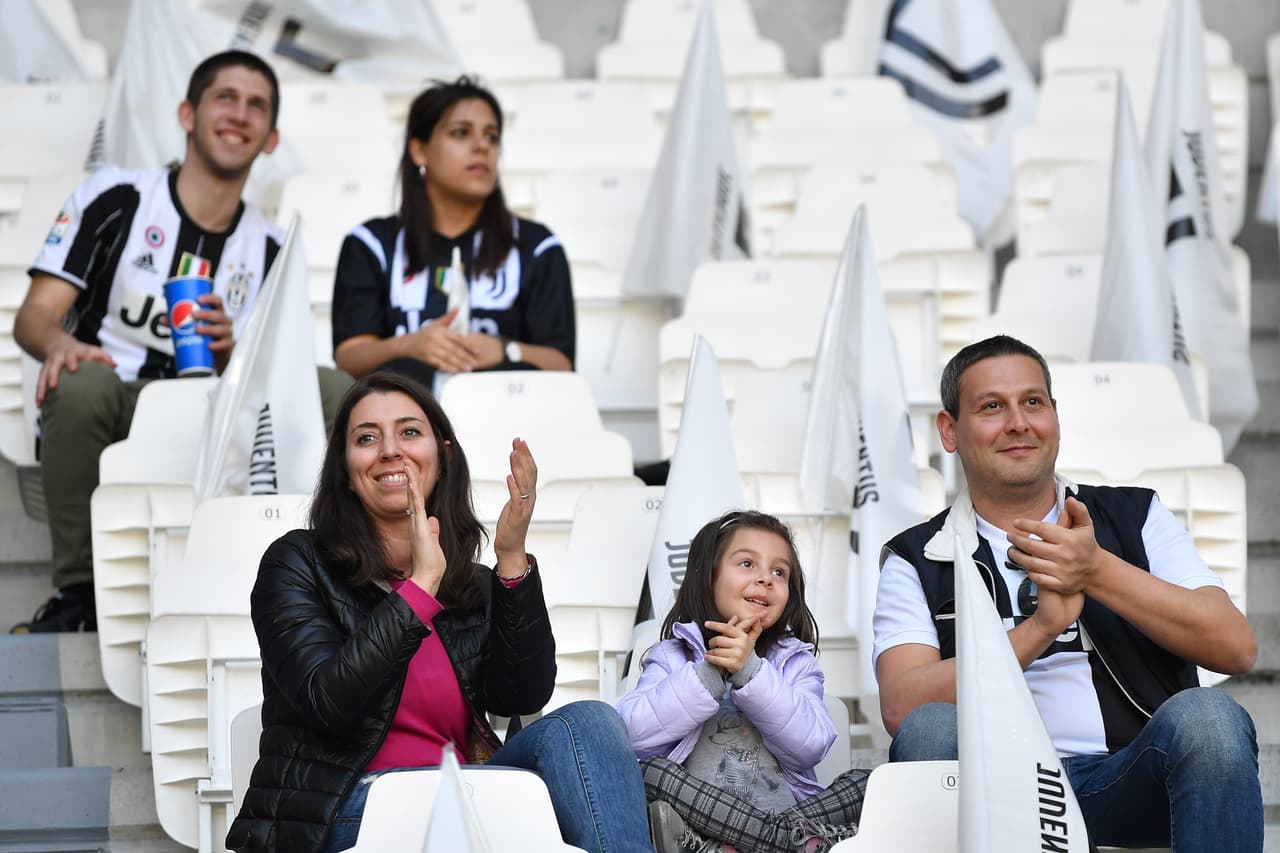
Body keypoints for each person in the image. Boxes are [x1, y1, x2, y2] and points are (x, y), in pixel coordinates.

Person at [225, 371, 650, 853]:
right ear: (345, 467)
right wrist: (418, 589)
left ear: (442, 458)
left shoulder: (470, 585)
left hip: (467, 796)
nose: (389, 450)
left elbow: (522, 694)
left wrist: (511, 560)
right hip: (345, 812)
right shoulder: (296, 563)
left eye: (409, 432)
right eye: (367, 438)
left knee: (589, 723)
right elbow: (329, 703)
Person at [874, 334, 1262, 851]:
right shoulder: (915, 555)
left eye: (1033, 402)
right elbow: (903, 709)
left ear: (1055, 416)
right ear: (950, 430)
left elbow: (1235, 647)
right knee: (930, 728)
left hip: (1127, 780)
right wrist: (1040, 629)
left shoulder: (1134, 515)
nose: (1018, 423)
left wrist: (1097, 570)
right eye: (992, 407)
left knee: (1210, 719)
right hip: (991, 794)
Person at [12, 50, 350, 634]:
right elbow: (34, 318)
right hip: (114, 401)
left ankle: (343, 576)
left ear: (271, 139)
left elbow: (281, 377)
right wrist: (60, 346)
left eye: (257, 106)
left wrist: (233, 353)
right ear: (187, 113)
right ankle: (79, 594)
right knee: (80, 380)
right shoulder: (117, 197)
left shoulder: (270, 247)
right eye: (225, 98)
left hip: (211, 421)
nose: (239, 114)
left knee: (336, 390)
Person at [618, 510, 870, 853]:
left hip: (789, 811)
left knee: (867, 783)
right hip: (698, 825)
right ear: (708, 577)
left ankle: (758, 843)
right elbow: (631, 735)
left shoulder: (795, 661)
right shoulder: (670, 656)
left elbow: (811, 745)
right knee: (648, 773)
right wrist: (713, 672)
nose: (766, 578)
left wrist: (750, 670)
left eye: (779, 571)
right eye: (747, 564)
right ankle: (795, 844)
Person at [331, 76, 575, 388]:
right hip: (402, 428)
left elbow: (562, 363)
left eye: (492, 136)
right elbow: (349, 357)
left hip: (507, 425)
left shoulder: (538, 246)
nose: (481, 147)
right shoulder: (371, 244)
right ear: (419, 151)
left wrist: (504, 350)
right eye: (461, 133)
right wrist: (410, 346)